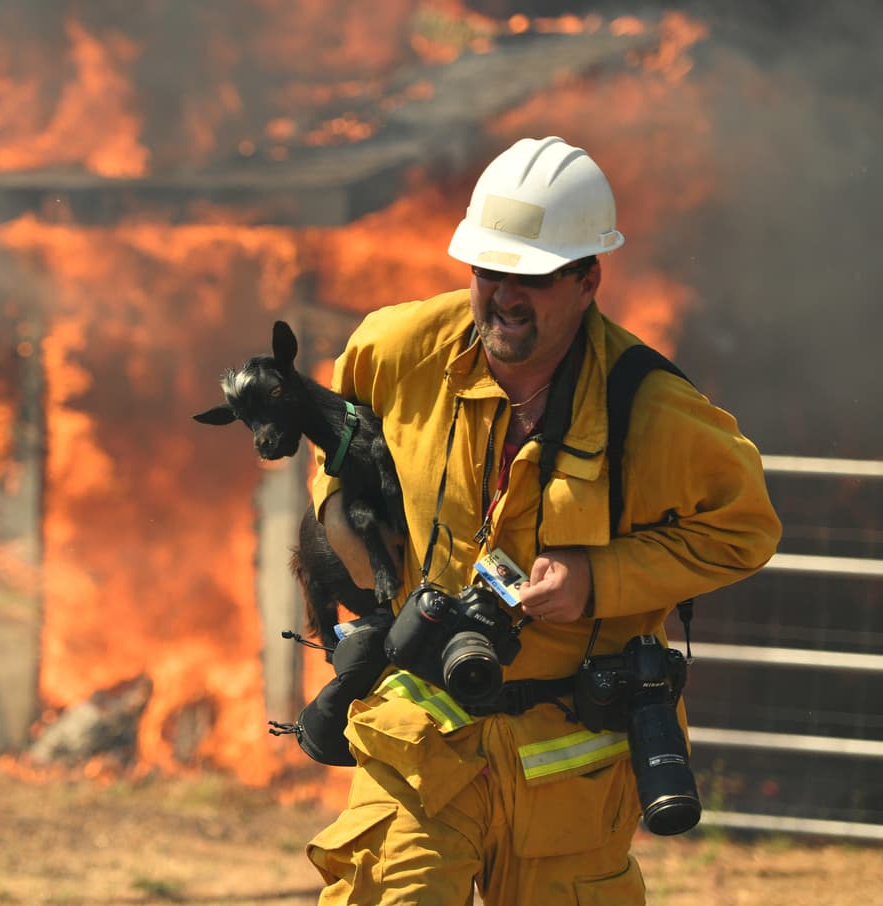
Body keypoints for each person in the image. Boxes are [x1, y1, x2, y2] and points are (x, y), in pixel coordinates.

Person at [304, 136, 782, 905]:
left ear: (589, 280)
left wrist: (599, 578)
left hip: (568, 766)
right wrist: (345, 528)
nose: (504, 296)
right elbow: (341, 449)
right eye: (487, 271)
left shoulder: (653, 410)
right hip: (421, 734)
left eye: (531, 276)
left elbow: (747, 530)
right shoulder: (396, 351)